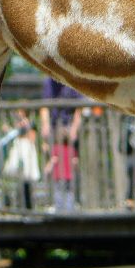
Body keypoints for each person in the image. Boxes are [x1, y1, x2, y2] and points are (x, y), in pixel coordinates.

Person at [39, 77, 82, 210]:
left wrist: (75, 128)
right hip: (54, 128)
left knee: (71, 166)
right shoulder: (48, 82)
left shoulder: (73, 81)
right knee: (55, 168)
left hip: (68, 126)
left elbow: (79, 108)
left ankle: (72, 203)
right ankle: (54, 203)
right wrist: (45, 125)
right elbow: (44, 107)